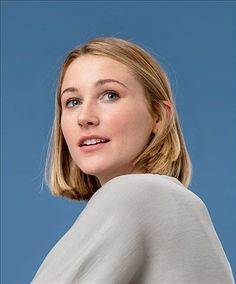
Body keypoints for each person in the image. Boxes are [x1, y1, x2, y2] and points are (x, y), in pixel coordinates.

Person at [31, 37, 235, 284]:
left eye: (109, 95)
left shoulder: (138, 193)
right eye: (72, 102)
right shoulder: (170, 201)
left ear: (158, 117)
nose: (84, 117)